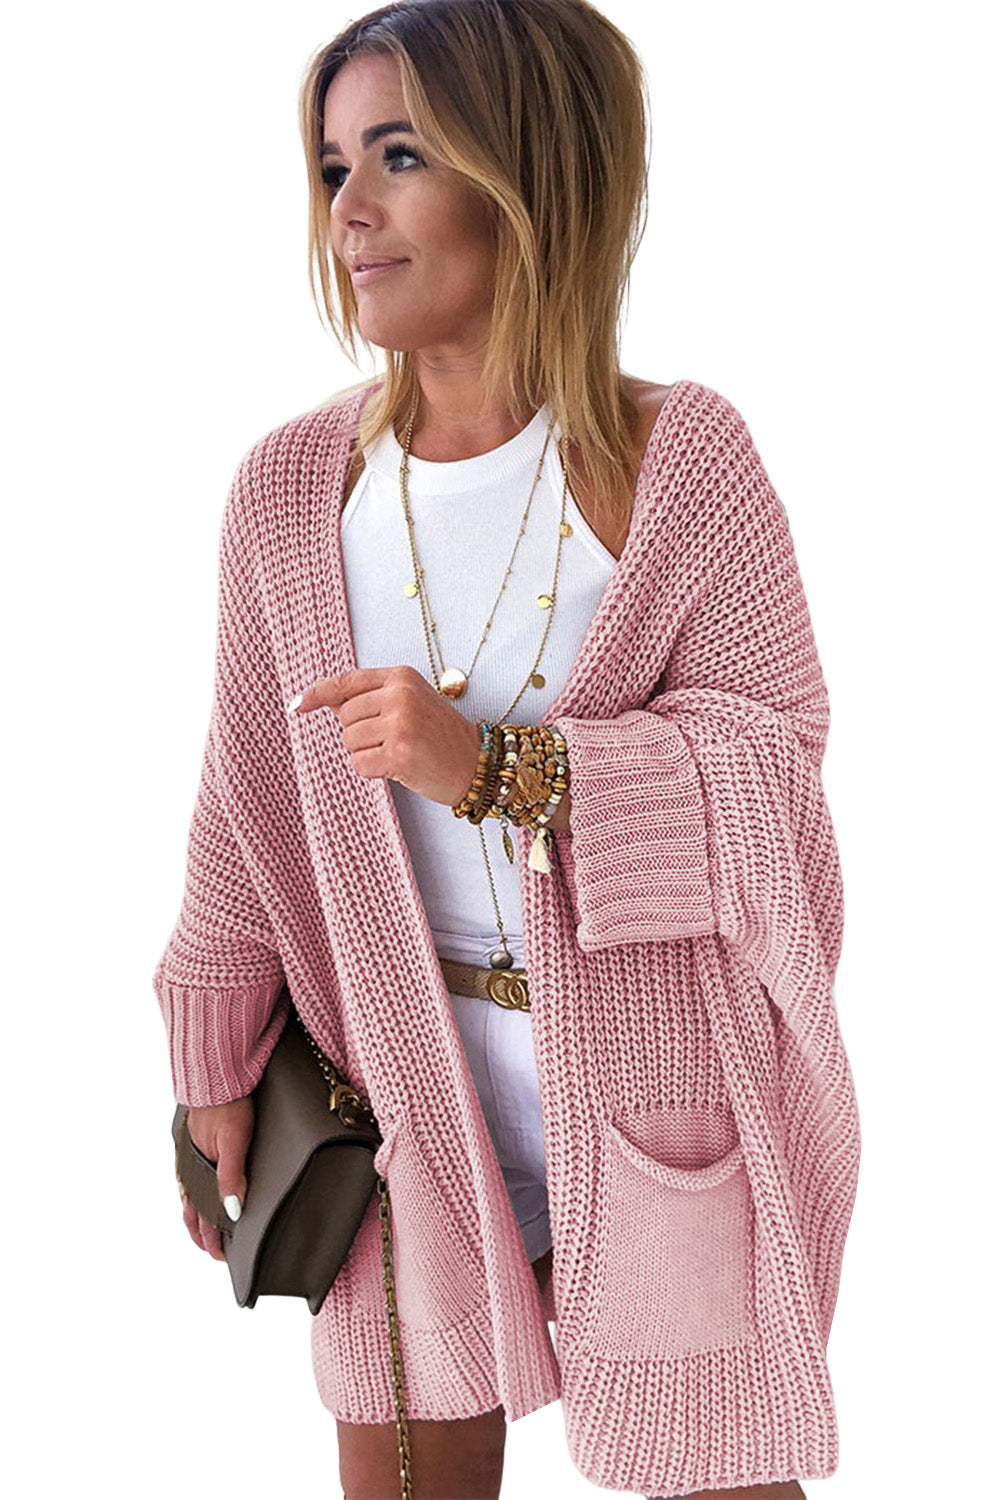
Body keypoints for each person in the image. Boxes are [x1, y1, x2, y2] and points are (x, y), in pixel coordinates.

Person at [153, 3, 860, 1498]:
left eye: (398, 156)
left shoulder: (679, 464)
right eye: (332, 165)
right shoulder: (291, 491)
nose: (348, 209)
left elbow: (774, 785)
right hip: (391, 1096)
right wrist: (212, 1057)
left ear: (529, 173)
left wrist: (502, 768)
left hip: (658, 1085)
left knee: (713, 1469)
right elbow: (242, 795)